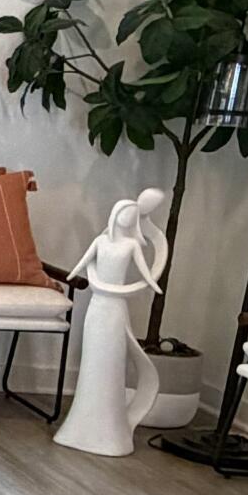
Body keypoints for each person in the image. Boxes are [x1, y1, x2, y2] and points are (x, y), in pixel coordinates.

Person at [56, 187, 171, 457]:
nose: (128, 219)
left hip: (115, 308)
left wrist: (151, 284)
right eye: (124, 214)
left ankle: (111, 431)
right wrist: (76, 275)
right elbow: (84, 263)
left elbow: (146, 272)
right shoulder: (101, 241)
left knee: (112, 361)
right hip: (98, 307)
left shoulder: (132, 245)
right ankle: (81, 428)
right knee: (93, 362)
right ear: (115, 214)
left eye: (133, 215)